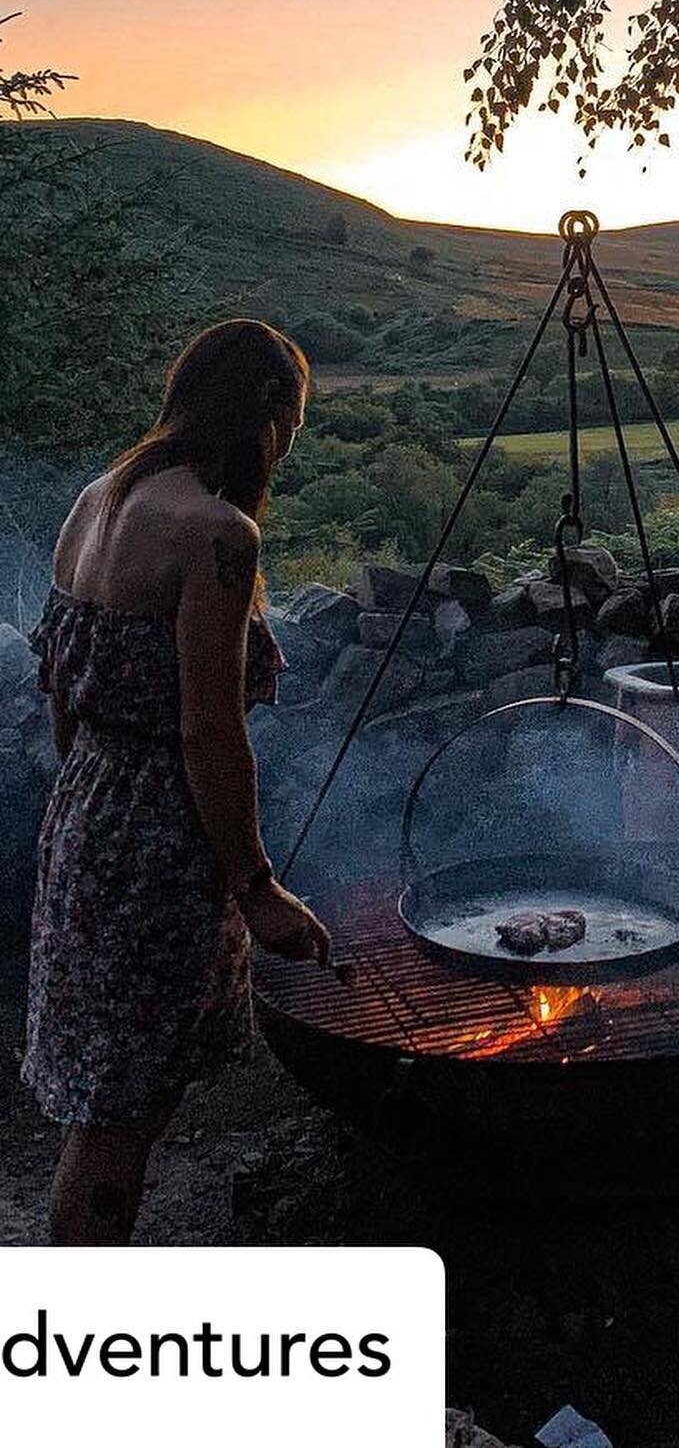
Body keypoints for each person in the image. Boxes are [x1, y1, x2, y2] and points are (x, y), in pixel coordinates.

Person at [24, 319, 330, 1245]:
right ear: (269, 417)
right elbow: (209, 732)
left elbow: (60, 686)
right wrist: (256, 886)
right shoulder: (217, 535)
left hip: (86, 812)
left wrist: (94, 790)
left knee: (108, 1101)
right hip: (160, 841)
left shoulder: (98, 501)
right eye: (295, 419)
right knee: (123, 1117)